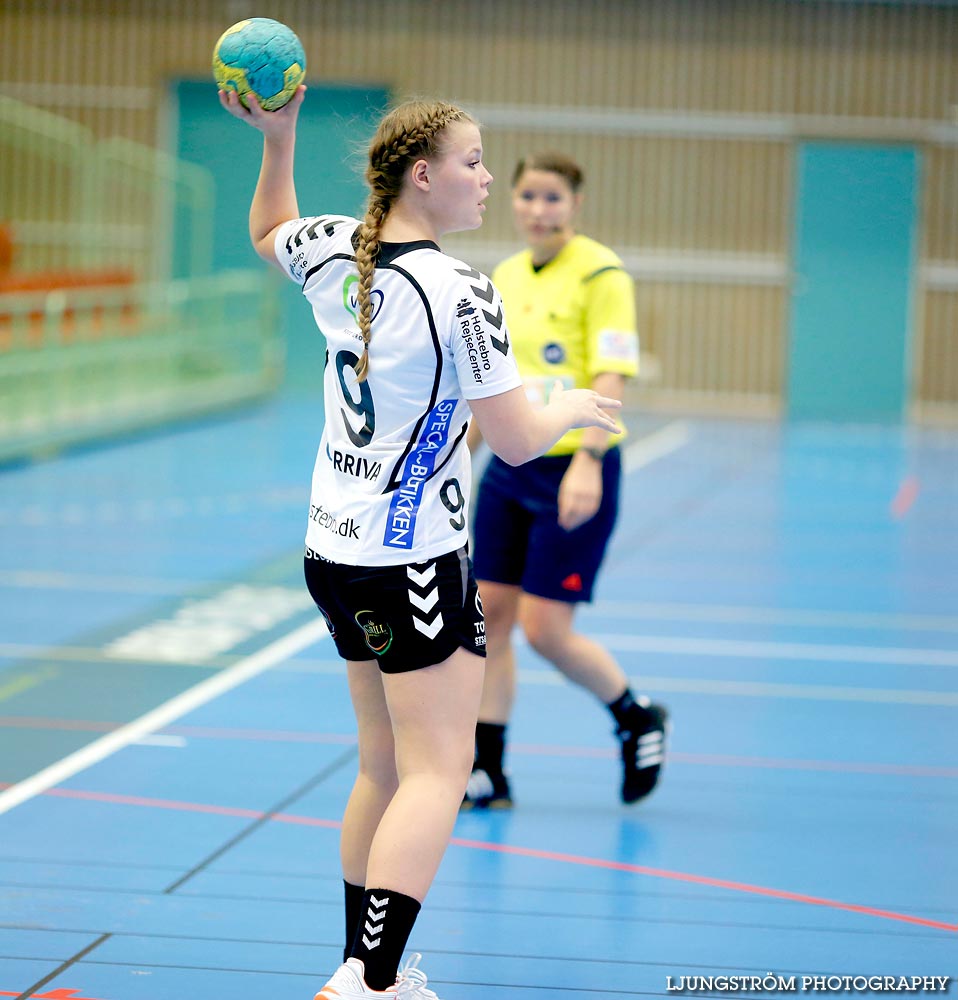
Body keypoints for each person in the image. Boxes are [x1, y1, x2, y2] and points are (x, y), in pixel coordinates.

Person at [220, 88, 623, 1000]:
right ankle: (370, 981)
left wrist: (276, 140)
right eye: (475, 163)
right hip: (412, 562)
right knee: (438, 772)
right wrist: (573, 406)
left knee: (383, 764)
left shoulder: (335, 250)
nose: (489, 181)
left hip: (332, 548)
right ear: (424, 175)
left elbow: (269, 229)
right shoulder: (462, 292)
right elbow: (518, 440)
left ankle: (363, 970)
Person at [462, 152, 669, 812]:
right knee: (488, 617)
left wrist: (587, 461)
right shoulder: (503, 274)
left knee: (547, 629)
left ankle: (636, 716)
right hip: (511, 462)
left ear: (575, 204)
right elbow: (493, 383)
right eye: (527, 196)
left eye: (552, 198)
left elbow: (611, 375)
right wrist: (459, 453)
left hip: (574, 464)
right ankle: (488, 770)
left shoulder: (602, 273)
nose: (537, 210)